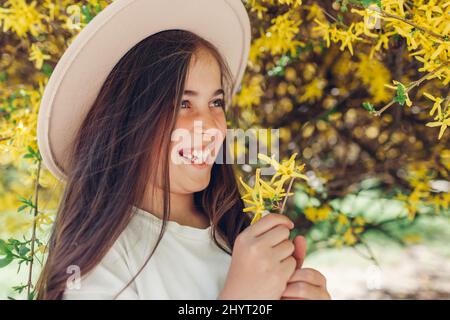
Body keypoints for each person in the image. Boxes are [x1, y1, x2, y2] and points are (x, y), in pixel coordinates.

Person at [35, 0, 330, 300]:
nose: (211, 127)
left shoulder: (235, 232)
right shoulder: (98, 262)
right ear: (127, 121)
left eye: (216, 103)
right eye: (182, 104)